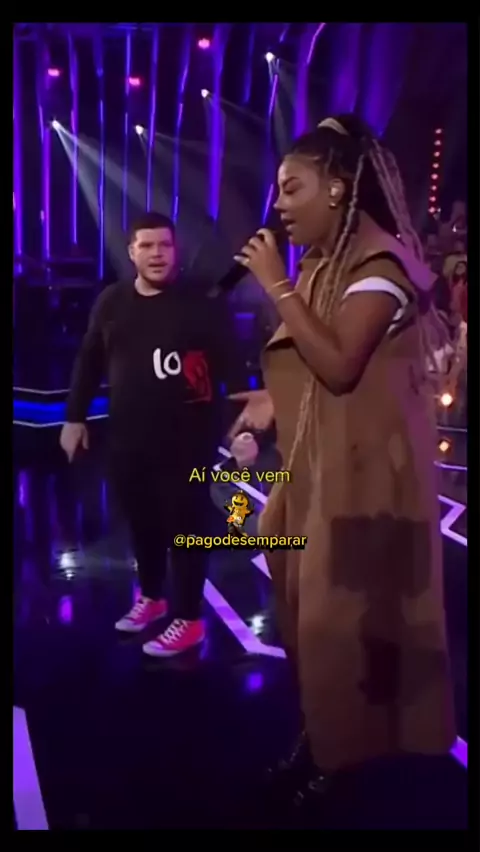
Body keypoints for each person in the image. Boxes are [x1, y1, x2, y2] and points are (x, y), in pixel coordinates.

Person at [229, 114, 456, 804]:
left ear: (335, 189)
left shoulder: (380, 268)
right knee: (304, 605)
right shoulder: (327, 264)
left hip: (365, 477)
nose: (279, 205)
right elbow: (310, 364)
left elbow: (338, 364)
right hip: (318, 461)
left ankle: (341, 752)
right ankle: (323, 731)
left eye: (291, 188)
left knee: (340, 621)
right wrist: (267, 402)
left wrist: (275, 284)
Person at [60, 211, 245, 657]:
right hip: (129, 439)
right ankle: (153, 597)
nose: (157, 254)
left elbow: (231, 364)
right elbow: (89, 360)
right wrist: (74, 417)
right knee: (143, 525)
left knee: (187, 530)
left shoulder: (200, 301)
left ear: (175, 250)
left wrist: (246, 425)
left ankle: (189, 620)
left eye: (164, 245)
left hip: (189, 441)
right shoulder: (112, 301)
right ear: (132, 252)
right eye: (147, 246)